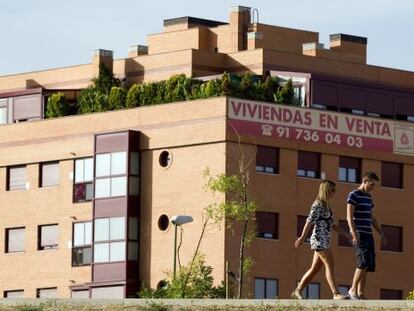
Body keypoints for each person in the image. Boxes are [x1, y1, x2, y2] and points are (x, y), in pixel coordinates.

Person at [293, 179, 348, 300]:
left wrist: (346, 234)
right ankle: (336, 293)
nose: (334, 192)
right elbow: (309, 221)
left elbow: (332, 224)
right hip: (319, 239)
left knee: (315, 269)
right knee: (330, 264)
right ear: (326, 190)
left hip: (324, 240)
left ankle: (298, 290)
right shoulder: (318, 204)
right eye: (332, 190)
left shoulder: (326, 205)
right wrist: (302, 237)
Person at [346, 171, 387, 300]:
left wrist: (381, 233)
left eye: (374, 185)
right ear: (365, 181)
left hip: (368, 234)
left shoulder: (369, 198)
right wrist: (353, 233)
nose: (373, 187)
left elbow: (372, 217)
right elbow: (348, 216)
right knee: (362, 262)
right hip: (358, 233)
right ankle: (352, 291)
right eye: (371, 184)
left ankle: (360, 293)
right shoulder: (353, 195)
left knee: (368, 265)